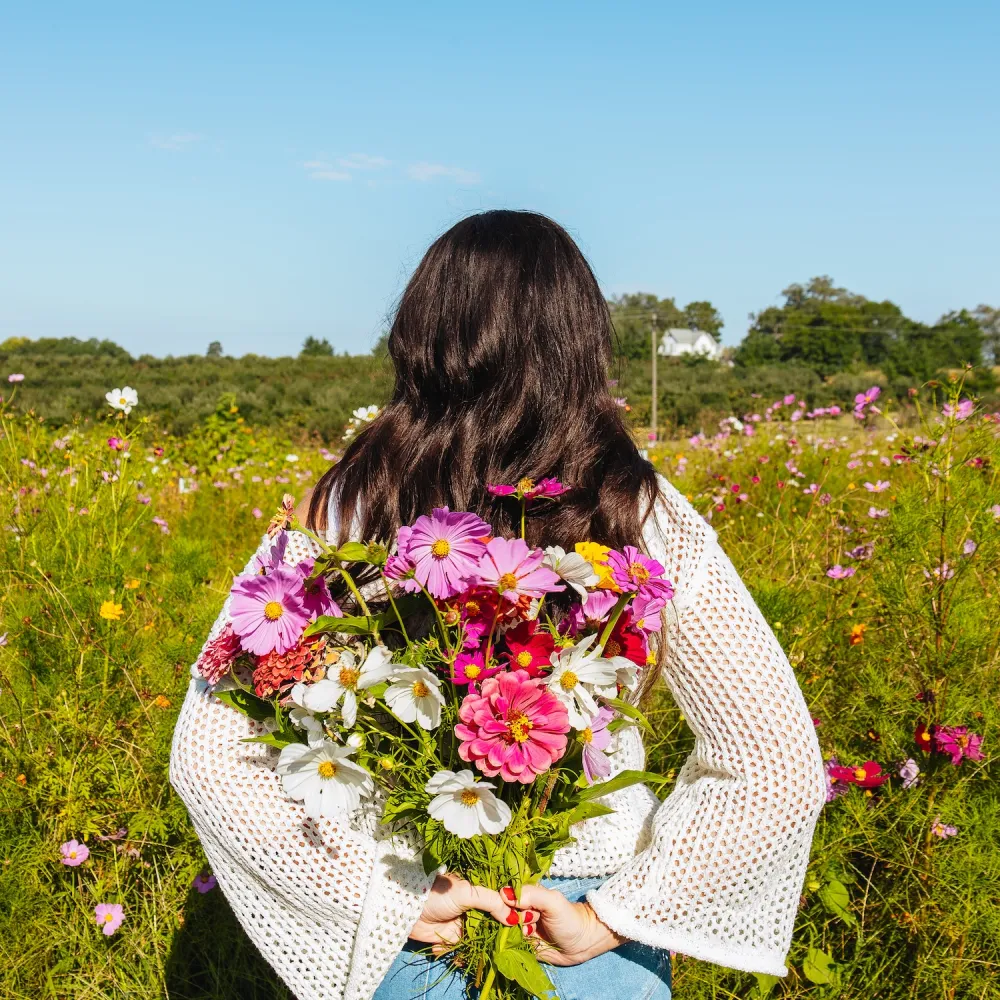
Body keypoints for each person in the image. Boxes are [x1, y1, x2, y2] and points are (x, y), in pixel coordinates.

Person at [170, 210, 827, 1000]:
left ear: (423, 333)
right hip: (579, 941)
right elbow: (776, 764)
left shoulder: (344, 507)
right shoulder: (635, 509)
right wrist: (616, 918)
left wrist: (378, 896)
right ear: (580, 342)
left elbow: (213, 756)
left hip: (418, 926)